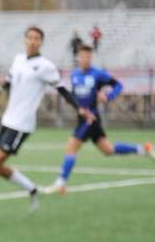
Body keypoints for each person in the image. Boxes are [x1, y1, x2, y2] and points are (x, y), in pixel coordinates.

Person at [0, 26, 90, 222]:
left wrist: (78, 108)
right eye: (29, 37)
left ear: (41, 42)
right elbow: (10, 83)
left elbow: (62, 89)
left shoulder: (45, 66)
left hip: (22, 124)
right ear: (24, 40)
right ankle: (32, 189)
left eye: (37, 38)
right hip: (7, 120)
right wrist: (4, 83)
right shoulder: (18, 59)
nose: (32, 41)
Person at [44, 44, 153, 195]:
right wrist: (76, 106)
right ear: (78, 57)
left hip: (91, 118)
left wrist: (108, 96)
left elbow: (118, 85)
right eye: (82, 56)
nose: (85, 59)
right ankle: (143, 149)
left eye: (88, 56)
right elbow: (75, 95)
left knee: (71, 148)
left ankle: (60, 183)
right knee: (108, 150)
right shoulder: (75, 75)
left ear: (91, 57)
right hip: (82, 118)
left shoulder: (98, 74)